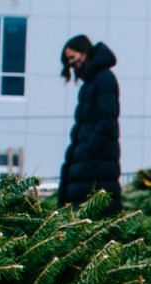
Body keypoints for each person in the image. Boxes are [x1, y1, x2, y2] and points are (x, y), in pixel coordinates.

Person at [58, 36, 123, 216]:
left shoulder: (103, 79)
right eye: (68, 60)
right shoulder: (92, 82)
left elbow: (108, 119)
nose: (71, 64)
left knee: (95, 213)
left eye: (73, 57)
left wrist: (89, 151)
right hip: (90, 163)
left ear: (84, 52)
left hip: (95, 164)